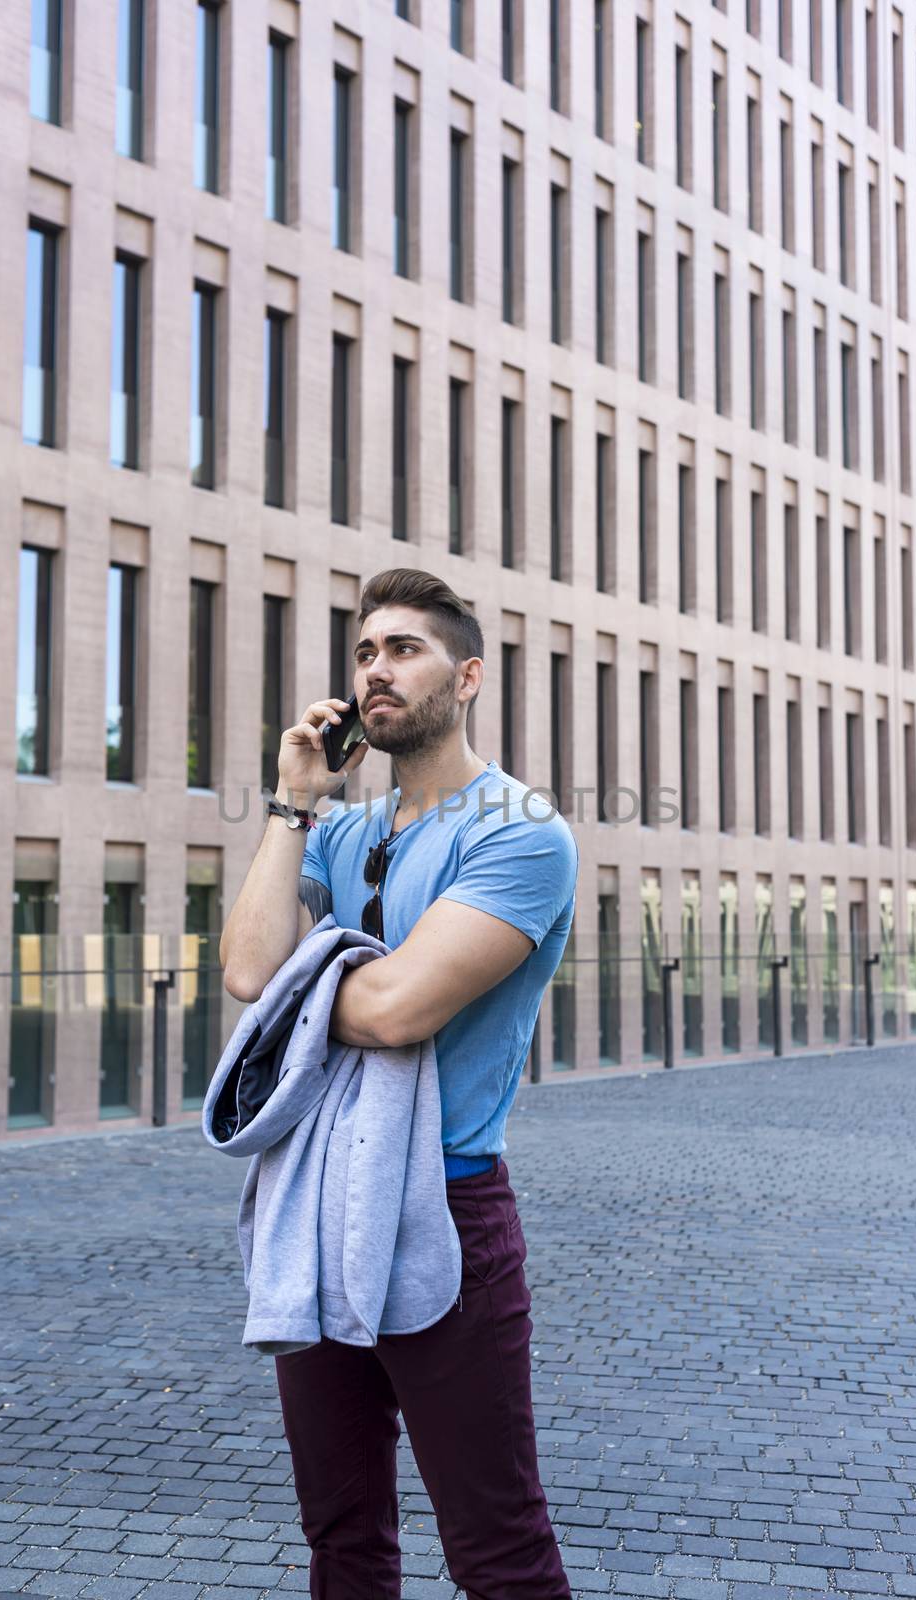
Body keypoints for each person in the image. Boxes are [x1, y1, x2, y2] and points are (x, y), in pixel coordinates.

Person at [220, 567, 577, 1599]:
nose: (376, 669)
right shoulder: (336, 832)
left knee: (498, 1550)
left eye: (404, 649)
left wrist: (305, 986)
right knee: (342, 1533)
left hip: (446, 1203)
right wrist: (293, 800)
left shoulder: (520, 830)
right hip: (317, 1196)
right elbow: (248, 969)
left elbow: (394, 1013)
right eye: (366, 652)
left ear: (466, 677)